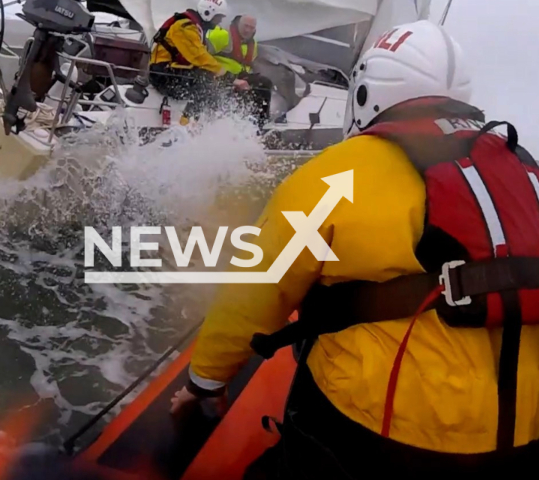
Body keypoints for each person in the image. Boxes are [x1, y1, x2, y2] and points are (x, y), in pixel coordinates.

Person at [170, 19, 539, 480]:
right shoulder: (523, 166)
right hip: (526, 434)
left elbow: (256, 289)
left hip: (387, 435)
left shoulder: (339, 173)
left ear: (369, 92)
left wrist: (205, 382)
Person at [148, 0, 232, 124]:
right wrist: (224, 73)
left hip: (173, 71)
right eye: (218, 17)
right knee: (205, 78)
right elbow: (198, 56)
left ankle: (214, 122)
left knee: (215, 84)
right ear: (208, 13)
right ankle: (186, 123)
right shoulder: (184, 26)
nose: (219, 21)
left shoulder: (194, 28)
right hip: (162, 74)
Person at [206, 15, 274, 129]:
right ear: (238, 24)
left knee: (264, 84)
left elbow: (248, 64)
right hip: (220, 75)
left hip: (240, 77)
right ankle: (218, 120)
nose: (247, 30)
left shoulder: (253, 43)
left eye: (251, 27)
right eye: (245, 26)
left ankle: (259, 124)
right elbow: (202, 55)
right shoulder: (222, 35)